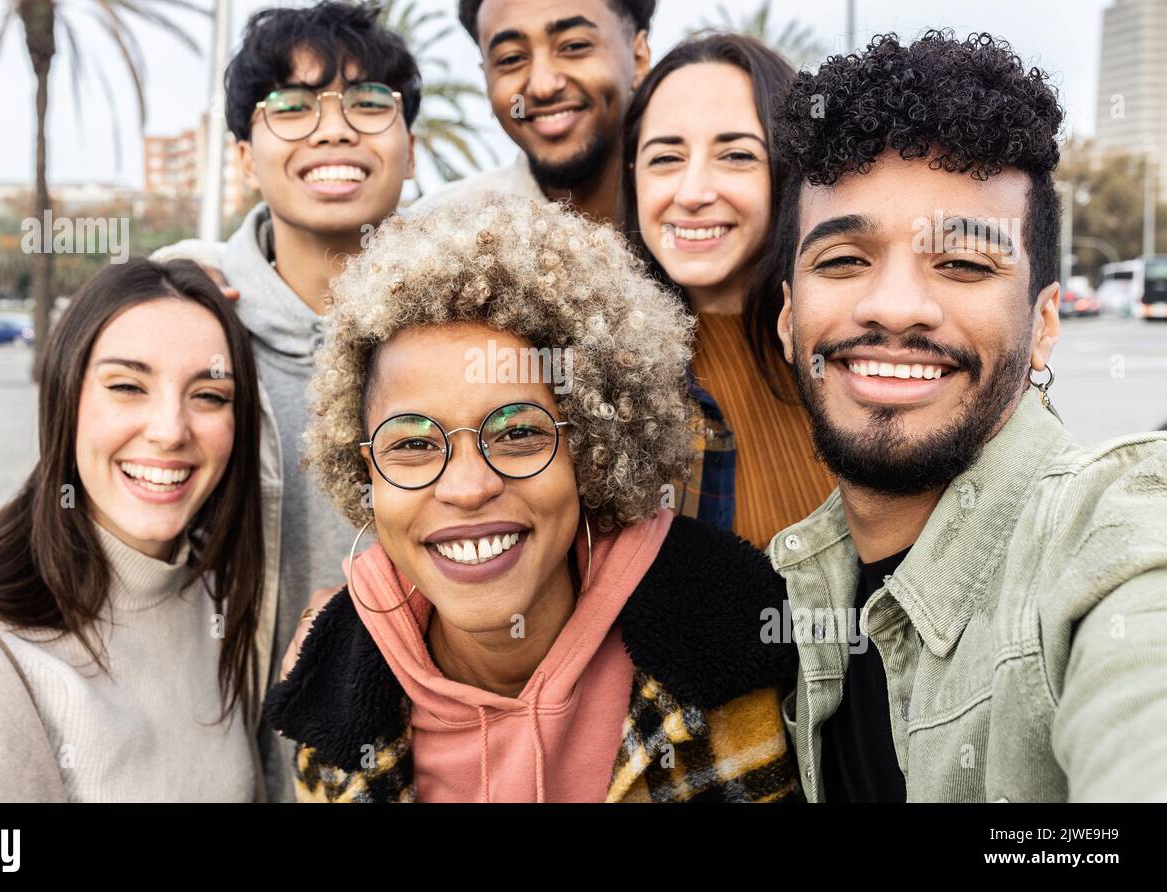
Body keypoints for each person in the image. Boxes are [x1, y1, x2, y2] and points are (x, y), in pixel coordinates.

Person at [0, 0, 421, 802]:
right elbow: (80, 493)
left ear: (413, 149)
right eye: (292, 107)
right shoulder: (192, 328)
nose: (333, 128)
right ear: (240, 155)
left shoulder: (462, 343)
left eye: (369, 102)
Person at [264, 194, 799, 802]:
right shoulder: (330, 703)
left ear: (592, 451)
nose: (466, 488)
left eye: (518, 434)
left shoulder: (732, 656)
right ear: (369, 471)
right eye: (412, 444)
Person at [768, 30, 1167, 801]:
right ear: (789, 317)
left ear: (1045, 323)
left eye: (962, 265)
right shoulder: (797, 590)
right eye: (844, 260)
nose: (893, 307)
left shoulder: (1108, 537)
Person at [0, 259, 266, 801]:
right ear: (64, 398)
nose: (171, 431)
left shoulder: (224, 599)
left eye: (210, 396)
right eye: (127, 386)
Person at [623, 32, 835, 549]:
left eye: (737, 155)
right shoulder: (601, 377)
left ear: (790, 174)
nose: (693, 193)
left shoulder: (855, 356)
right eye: (665, 159)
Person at [422, 0, 653, 223]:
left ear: (639, 56)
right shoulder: (440, 230)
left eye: (574, 46)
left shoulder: (704, 216)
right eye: (511, 59)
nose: (543, 86)